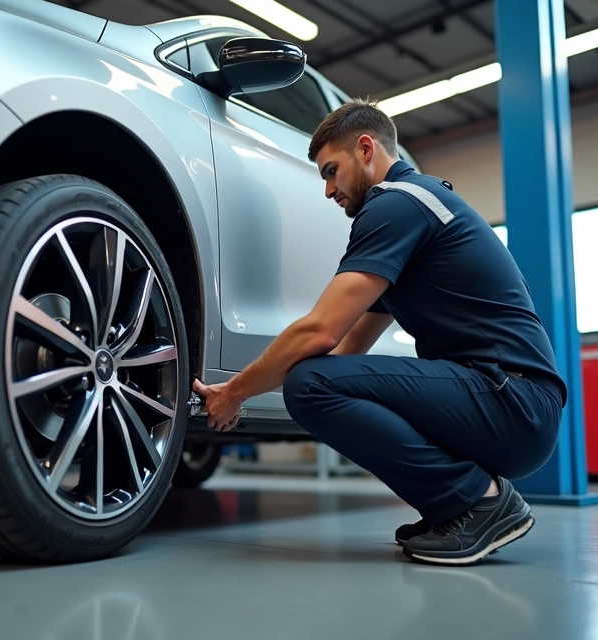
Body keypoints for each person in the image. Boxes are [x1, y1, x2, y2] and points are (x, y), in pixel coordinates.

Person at [192, 100, 567, 566]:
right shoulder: (416, 204)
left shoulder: (395, 204)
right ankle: (452, 506)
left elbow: (321, 331)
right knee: (317, 380)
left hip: (512, 401)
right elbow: (349, 350)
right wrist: (275, 385)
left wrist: (235, 392)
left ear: (366, 149)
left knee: (308, 384)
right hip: (509, 401)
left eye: (331, 171)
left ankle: (477, 501)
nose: (328, 191)